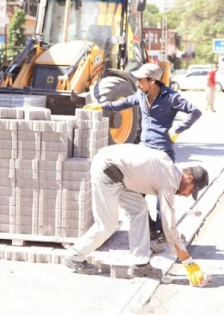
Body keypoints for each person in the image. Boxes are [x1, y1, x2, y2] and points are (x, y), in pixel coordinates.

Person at [84, 63, 202, 248]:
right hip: (144, 152)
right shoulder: (140, 94)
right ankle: (149, 230)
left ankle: (163, 234)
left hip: (163, 152)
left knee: (162, 199)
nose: (137, 83)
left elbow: (195, 111)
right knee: (135, 194)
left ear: (152, 80)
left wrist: (177, 129)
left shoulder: (171, 97)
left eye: (140, 80)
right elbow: (123, 103)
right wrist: (102, 106)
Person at [62, 143, 208, 285]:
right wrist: (187, 261)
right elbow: (169, 226)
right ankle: (74, 256)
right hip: (106, 170)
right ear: (189, 179)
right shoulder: (168, 179)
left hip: (120, 175)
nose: (187, 195)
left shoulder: (168, 171)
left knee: (139, 209)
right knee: (108, 224)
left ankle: (140, 264)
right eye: (191, 191)